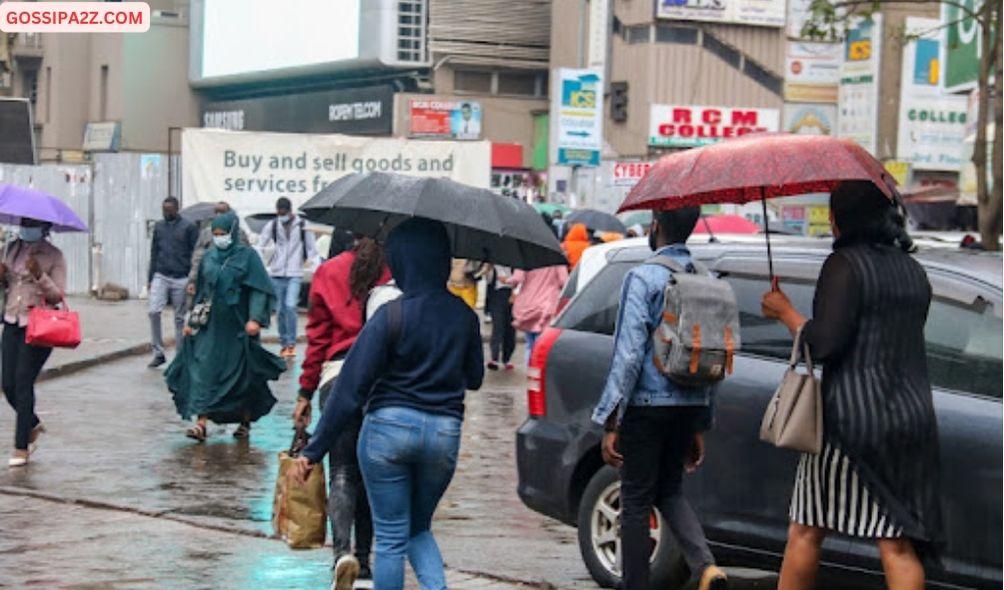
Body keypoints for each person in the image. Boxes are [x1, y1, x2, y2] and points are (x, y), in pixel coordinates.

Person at [761, 181, 942, 590]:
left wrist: (785, 312)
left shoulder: (845, 264)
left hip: (850, 422)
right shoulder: (913, 271)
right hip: (911, 417)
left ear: (840, 218)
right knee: (897, 542)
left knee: (806, 529)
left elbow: (826, 343)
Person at [294, 218, 484, 590]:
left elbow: (349, 390)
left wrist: (314, 450)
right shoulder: (464, 316)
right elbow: (474, 378)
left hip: (387, 433)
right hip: (443, 435)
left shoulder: (390, 316)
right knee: (418, 529)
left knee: (392, 537)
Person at [591, 207, 728, 590]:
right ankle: (705, 567)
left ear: (656, 227)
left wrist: (611, 417)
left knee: (635, 499)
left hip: (647, 406)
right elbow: (714, 357)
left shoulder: (643, 278)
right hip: (689, 404)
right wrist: (702, 420)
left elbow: (629, 354)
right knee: (669, 489)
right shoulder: (706, 278)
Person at [293, 237, 390, 586]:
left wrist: (304, 391)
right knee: (370, 475)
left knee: (343, 472)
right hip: (381, 383)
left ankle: (341, 554)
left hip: (337, 378)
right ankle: (363, 562)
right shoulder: (392, 272)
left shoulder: (328, 272)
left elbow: (317, 340)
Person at [166, 212, 285, 441]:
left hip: (238, 327)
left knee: (241, 377)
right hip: (211, 327)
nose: (220, 238)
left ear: (232, 232)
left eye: (223, 234)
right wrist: (192, 322)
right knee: (202, 371)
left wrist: (255, 318)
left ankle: (244, 422)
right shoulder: (209, 258)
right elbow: (202, 292)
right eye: (216, 234)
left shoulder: (248, 257)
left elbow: (259, 290)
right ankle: (201, 423)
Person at [0, 218, 66, 467]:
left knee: (23, 382)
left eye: (32, 223)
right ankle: (33, 423)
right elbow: (5, 286)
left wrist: (39, 275)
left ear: (44, 227)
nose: (26, 227)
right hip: (11, 322)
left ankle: (21, 447)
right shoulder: (10, 248)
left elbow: (58, 294)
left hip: (37, 328)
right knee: (7, 384)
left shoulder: (54, 256)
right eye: (24, 222)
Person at [256, 197, 320, 359]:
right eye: (279, 212)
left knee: (291, 306)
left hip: (294, 273)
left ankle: (291, 343)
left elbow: (312, 250)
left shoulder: (303, 226)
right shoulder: (272, 225)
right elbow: (260, 246)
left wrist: (315, 270)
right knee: (280, 310)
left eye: (283, 212)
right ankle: (284, 343)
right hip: (276, 273)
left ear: (290, 211)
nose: (281, 215)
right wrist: (264, 266)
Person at [148, 196, 199, 368]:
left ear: (177, 209)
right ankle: (158, 352)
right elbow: (154, 252)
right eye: (164, 210)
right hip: (161, 274)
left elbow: (196, 254)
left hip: (181, 277)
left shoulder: (189, 227)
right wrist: (150, 277)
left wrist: (193, 278)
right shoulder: (159, 227)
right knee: (154, 311)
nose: (166, 213)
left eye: (170, 210)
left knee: (179, 317)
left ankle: (180, 355)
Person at [510, 212, 569, 361]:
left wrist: (506, 280)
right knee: (541, 345)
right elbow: (564, 281)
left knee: (530, 344)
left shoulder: (526, 250)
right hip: (547, 306)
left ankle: (530, 375)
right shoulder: (556, 251)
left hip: (527, 304)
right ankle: (537, 374)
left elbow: (517, 278)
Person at [186, 201, 248, 298]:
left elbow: (246, 257)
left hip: (233, 281)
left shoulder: (239, 233)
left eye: (222, 212)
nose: (219, 215)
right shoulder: (207, 233)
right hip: (210, 279)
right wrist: (192, 280)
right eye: (217, 212)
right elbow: (197, 258)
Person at [483, 264, 515, 370]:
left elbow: (521, 279)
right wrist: (488, 270)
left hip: (511, 296)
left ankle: (507, 358)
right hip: (496, 295)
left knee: (510, 327)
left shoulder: (515, 263)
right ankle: (494, 358)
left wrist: (515, 292)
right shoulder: (492, 264)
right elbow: (487, 281)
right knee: (498, 326)